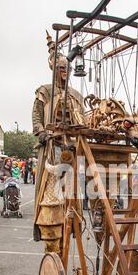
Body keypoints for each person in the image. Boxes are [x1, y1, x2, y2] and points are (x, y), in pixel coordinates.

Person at [32, 31, 85, 253]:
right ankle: (51, 248)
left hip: (71, 150)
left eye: (68, 69)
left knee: (74, 199)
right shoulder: (45, 91)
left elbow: (83, 118)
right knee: (50, 200)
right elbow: (36, 117)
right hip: (51, 150)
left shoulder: (75, 94)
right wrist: (42, 133)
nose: (65, 72)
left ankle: (71, 232)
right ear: (55, 70)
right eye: (61, 68)